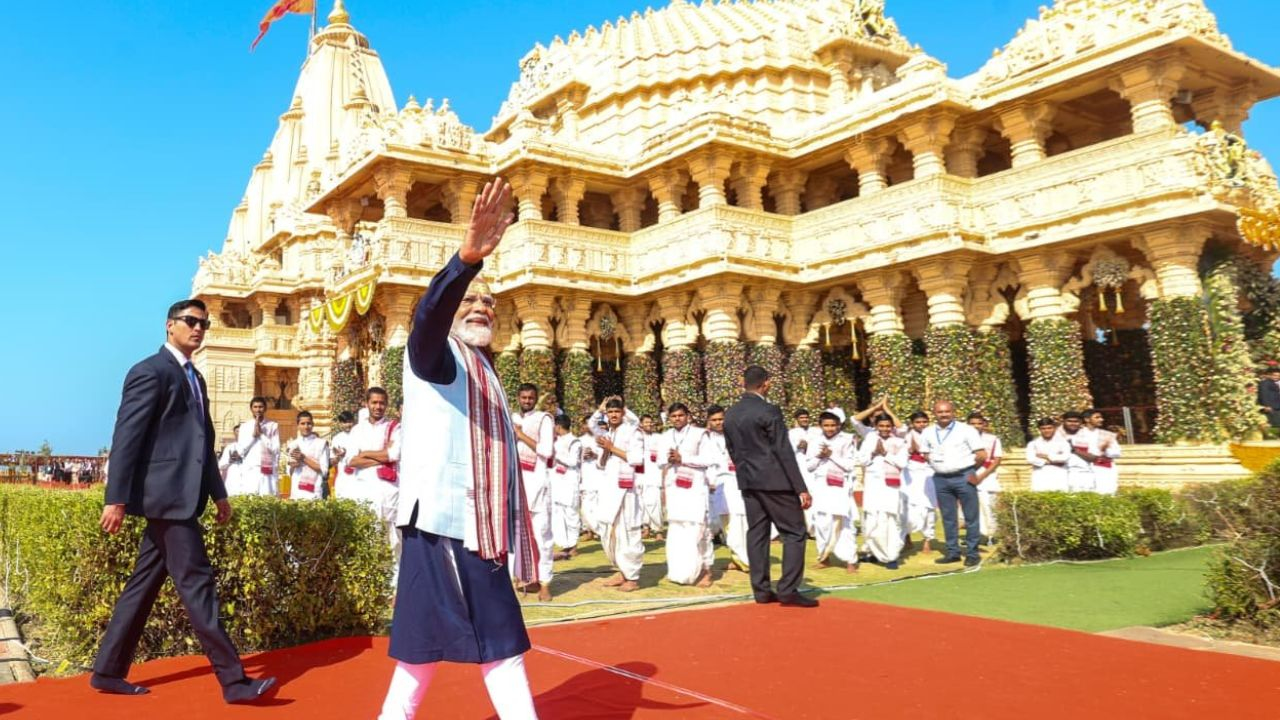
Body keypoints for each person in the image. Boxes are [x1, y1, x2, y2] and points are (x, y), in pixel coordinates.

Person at [378, 179, 540, 720]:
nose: (482, 308)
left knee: (437, 646)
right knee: (493, 641)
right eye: (471, 301)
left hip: (469, 524)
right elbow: (427, 316)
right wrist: (465, 261)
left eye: (490, 303)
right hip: (450, 521)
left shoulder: (482, 367)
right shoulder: (436, 355)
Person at [91, 298, 275, 703]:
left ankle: (106, 670)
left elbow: (202, 443)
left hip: (185, 498)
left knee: (142, 587)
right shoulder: (149, 372)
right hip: (166, 499)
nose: (198, 329)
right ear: (169, 325)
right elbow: (127, 438)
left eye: (204, 324)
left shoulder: (196, 378)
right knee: (198, 587)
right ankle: (235, 682)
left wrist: (219, 493)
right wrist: (116, 498)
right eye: (191, 321)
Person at [723, 366, 816, 608]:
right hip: (775, 481)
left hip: (748, 482)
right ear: (765, 384)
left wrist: (746, 475)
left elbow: (732, 451)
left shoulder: (731, 414)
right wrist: (800, 488)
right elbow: (783, 450)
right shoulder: (768, 410)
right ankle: (788, 589)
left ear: (744, 383)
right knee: (795, 532)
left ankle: (761, 591)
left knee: (757, 533)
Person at [917, 400, 987, 568]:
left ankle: (972, 553)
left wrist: (972, 471)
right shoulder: (927, 432)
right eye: (940, 412)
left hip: (964, 476)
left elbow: (982, 455)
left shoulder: (967, 430)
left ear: (953, 412)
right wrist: (937, 463)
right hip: (941, 478)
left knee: (971, 517)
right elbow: (925, 453)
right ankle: (953, 552)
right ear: (935, 413)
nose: (944, 415)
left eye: (947, 411)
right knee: (948, 518)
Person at [658, 403, 715, 587]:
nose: (677, 419)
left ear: (687, 416)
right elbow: (659, 461)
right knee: (678, 528)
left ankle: (706, 570)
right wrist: (668, 459)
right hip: (675, 487)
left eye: (680, 415)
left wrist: (683, 458)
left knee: (699, 528)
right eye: (673, 416)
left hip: (695, 488)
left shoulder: (700, 434)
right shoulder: (666, 436)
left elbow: (708, 459)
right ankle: (681, 572)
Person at [347, 388, 403, 571]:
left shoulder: (395, 427)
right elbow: (352, 460)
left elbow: (394, 454)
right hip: (364, 491)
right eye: (374, 402)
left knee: (392, 541)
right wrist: (381, 455)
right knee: (367, 539)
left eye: (382, 403)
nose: (378, 406)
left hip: (388, 492)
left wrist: (365, 453)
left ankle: (393, 590)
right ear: (366, 404)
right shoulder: (357, 430)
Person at [594, 397, 646, 592]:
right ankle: (621, 570)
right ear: (606, 414)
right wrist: (606, 450)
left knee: (627, 531)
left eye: (617, 412)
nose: (613, 415)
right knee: (608, 530)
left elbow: (636, 458)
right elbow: (601, 463)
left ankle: (632, 577)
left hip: (626, 489)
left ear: (623, 413)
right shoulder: (610, 432)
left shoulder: (633, 432)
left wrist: (611, 448)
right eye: (610, 412)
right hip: (609, 487)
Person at [511, 384, 555, 601]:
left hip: (537, 483)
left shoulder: (543, 419)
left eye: (530, 398)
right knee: (518, 534)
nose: (527, 400)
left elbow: (546, 451)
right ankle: (526, 577)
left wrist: (520, 435)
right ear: (518, 398)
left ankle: (546, 582)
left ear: (536, 399)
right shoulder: (512, 417)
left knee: (542, 535)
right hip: (516, 483)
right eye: (523, 397)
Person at [806, 412, 858, 573]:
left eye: (833, 425)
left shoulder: (847, 440)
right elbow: (809, 466)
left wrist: (831, 455)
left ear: (839, 425)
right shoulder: (815, 441)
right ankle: (824, 557)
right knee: (822, 523)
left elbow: (849, 465)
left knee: (844, 524)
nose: (830, 428)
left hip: (840, 485)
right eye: (826, 425)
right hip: (821, 485)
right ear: (821, 426)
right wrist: (820, 457)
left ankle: (850, 560)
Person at [858, 414, 909, 569]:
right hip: (873, 485)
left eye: (888, 426)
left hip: (891, 487)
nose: (885, 429)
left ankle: (890, 556)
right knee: (872, 521)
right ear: (876, 426)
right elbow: (861, 460)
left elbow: (902, 463)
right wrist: (874, 452)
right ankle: (874, 552)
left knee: (889, 521)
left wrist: (885, 453)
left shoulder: (899, 442)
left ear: (892, 427)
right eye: (882, 426)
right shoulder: (869, 440)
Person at [705, 406, 748, 573]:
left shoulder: (738, 436)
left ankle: (744, 560)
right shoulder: (705, 439)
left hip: (736, 482)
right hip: (716, 484)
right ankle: (737, 557)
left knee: (739, 520)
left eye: (721, 419)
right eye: (714, 420)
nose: (718, 423)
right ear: (708, 422)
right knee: (725, 522)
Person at [902, 411, 937, 554]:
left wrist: (925, 453)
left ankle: (927, 540)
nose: (921, 425)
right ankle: (906, 537)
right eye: (918, 422)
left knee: (928, 506)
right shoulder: (906, 436)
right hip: (910, 472)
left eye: (924, 421)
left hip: (929, 472)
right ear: (912, 424)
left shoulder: (934, 434)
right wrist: (909, 451)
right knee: (908, 506)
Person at [550, 415, 583, 560]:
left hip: (569, 482)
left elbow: (573, 461)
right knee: (558, 515)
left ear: (558, 426)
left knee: (571, 514)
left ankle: (574, 545)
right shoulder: (555, 441)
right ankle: (565, 545)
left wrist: (556, 456)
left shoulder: (575, 441)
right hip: (557, 482)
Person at [967, 412, 1003, 542]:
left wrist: (981, 476)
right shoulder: (962, 439)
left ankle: (991, 535)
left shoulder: (993, 439)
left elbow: (997, 460)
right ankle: (973, 536)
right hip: (968, 474)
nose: (976, 426)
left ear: (984, 424)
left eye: (979, 423)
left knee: (988, 506)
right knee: (971, 507)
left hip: (988, 476)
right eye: (973, 424)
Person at [234, 396, 280, 496]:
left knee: (267, 499)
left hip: (267, 469)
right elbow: (240, 450)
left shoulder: (272, 426)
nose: (258, 410)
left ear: (265, 409)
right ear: (251, 409)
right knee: (250, 499)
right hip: (250, 469)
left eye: (261, 407)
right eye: (255, 407)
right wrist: (253, 437)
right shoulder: (245, 427)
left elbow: (275, 449)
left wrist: (262, 434)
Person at [286, 410, 330, 501]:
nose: (306, 427)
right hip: (297, 492)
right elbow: (289, 472)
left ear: (313, 424)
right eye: (302, 423)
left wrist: (304, 458)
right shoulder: (293, 445)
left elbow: (324, 470)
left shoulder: (321, 444)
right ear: (298, 425)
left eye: (308, 423)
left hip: (314, 492)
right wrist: (294, 465)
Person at [637, 414, 666, 540]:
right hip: (640, 475)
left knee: (654, 503)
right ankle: (646, 528)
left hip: (654, 475)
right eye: (646, 422)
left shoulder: (659, 438)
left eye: (650, 422)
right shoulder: (637, 438)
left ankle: (658, 530)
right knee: (641, 504)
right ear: (641, 424)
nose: (649, 424)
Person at [1026, 418, 1071, 492]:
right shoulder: (1033, 443)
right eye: (1043, 428)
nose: (1047, 431)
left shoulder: (1063, 442)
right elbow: (1030, 459)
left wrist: (1046, 456)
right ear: (1039, 429)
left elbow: (1065, 457)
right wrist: (1054, 460)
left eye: (1049, 428)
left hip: (1059, 475)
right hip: (1040, 474)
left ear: (1054, 428)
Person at [1059, 411, 1099, 493]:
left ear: (1081, 422)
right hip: (1060, 475)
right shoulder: (1055, 436)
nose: (1073, 424)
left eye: (1076, 421)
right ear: (1063, 422)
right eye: (1069, 421)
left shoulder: (1089, 435)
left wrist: (1074, 450)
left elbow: (1094, 458)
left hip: (1084, 475)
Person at [577, 414, 603, 541]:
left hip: (599, 475)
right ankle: (589, 530)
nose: (588, 426)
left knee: (598, 506)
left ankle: (599, 530)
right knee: (585, 506)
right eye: (586, 424)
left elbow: (607, 456)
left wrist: (595, 454)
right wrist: (583, 456)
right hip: (585, 475)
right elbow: (574, 458)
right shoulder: (579, 440)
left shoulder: (601, 439)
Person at [1085, 409, 1121, 495]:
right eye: (1097, 417)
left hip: (1104, 467)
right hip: (1084, 468)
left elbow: (1117, 452)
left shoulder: (1107, 434)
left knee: (1107, 492)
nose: (1101, 419)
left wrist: (1105, 450)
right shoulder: (1078, 434)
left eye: (1101, 417)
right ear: (1087, 419)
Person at [330, 410, 358, 499]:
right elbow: (333, 461)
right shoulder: (337, 438)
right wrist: (338, 457)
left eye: (349, 422)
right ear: (340, 424)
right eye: (344, 422)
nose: (347, 425)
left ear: (353, 421)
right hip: (343, 477)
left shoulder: (360, 436)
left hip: (358, 476)